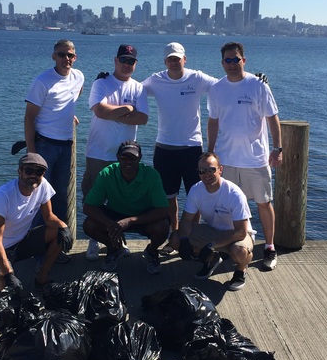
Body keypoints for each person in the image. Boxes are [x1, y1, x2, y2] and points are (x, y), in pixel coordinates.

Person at [207, 41, 282, 271]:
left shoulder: (258, 85)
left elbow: (272, 117)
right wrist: (210, 151)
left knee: (263, 203)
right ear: (222, 63)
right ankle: (230, 248)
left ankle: (269, 247)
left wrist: (278, 148)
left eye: (236, 59)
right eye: (227, 60)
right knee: (228, 207)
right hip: (226, 160)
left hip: (255, 159)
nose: (232, 64)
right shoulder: (217, 89)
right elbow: (213, 121)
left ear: (244, 60)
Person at [142, 42, 218, 238]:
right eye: (170, 59)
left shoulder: (197, 78)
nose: (174, 62)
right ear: (165, 62)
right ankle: (174, 235)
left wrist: (253, 80)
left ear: (185, 59)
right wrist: (108, 80)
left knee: (196, 194)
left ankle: (192, 235)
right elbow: (132, 89)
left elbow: (224, 86)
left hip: (192, 147)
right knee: (169, 196)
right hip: (164, 147)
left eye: (177, 59)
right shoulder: (156, 80)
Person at [82, 44, 149, 261]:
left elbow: (143, 118)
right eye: (123, 60)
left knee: (119, 200)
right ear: (115, 60)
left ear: (135, 64)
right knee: (93, 198)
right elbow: (100, 111)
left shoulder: (138, 88)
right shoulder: (101, 83)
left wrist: (113, 113)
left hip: (126, 155)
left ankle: (118, 237)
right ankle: (94, 239)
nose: (126, 64)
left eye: (131, 61)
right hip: (98, 152)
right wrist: (128, 109)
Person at [0, 153, 73, 295]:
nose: (33, 175)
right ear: (20, 172)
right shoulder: (3, 195)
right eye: (29, 171)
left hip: (20, 243)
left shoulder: (43, 186)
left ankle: (41, 280)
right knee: (7, 285)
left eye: (39, 172)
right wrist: (9, 274)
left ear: (43, 174)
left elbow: (49, 217)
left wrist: (64, 227)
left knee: (59, 233)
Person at [169, 152, 254, 291]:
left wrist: (211, 245)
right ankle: (211, 259)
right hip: (213, 231)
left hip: (236, 235)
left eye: (211, 170)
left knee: (240, 251)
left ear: (220, 170)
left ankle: (241, 269)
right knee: (175, 239)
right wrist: (184, 240)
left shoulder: (234, 193)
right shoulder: (196, 190)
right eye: (202, 171)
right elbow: (186, 221)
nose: (206, 174)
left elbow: (241, 232)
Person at [24, 38, 84, 230]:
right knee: (38, 194)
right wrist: (31, 152)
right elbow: (29, 117)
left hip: (66, 146)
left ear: (75, 57)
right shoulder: (42, 81)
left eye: (70, 55)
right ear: (54, 56)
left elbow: (74, 95)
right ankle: (35, 240)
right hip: (45, 146)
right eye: (61, 54)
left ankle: (57, 240)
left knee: (60, 195)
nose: (66, 58)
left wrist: (68, 113)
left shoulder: (78, 76)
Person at [82, 141, 169, 275]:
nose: (128, 161)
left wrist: (130, 220)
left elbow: (163, 210)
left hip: (142, 216)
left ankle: (152, 251)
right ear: (117, 157)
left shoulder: (152, 175)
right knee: (89, 224)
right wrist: (109, 223)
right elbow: (88, 207)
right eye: (124, 157)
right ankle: (114, 248)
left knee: (163, 226)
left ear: (140, 158)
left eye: (133, 157)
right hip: (115, 215)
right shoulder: (107, 174)